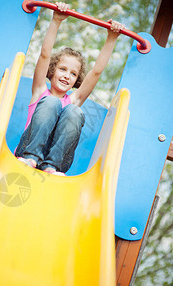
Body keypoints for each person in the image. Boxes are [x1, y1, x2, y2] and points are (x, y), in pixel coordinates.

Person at [16, 2, 125, 176]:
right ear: (51, 71)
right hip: (27, 152)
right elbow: (45, 54)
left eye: (73, 74)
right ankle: (31, 157)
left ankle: (52, 166)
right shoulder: (39, 91)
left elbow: (96, 72)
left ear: (76, 80)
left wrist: (111, 38)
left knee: (74, 111)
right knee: (51, 102)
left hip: (55, 162)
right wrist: (56, 20)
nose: (67, 75)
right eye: (62, 69)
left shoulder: (73, 100)